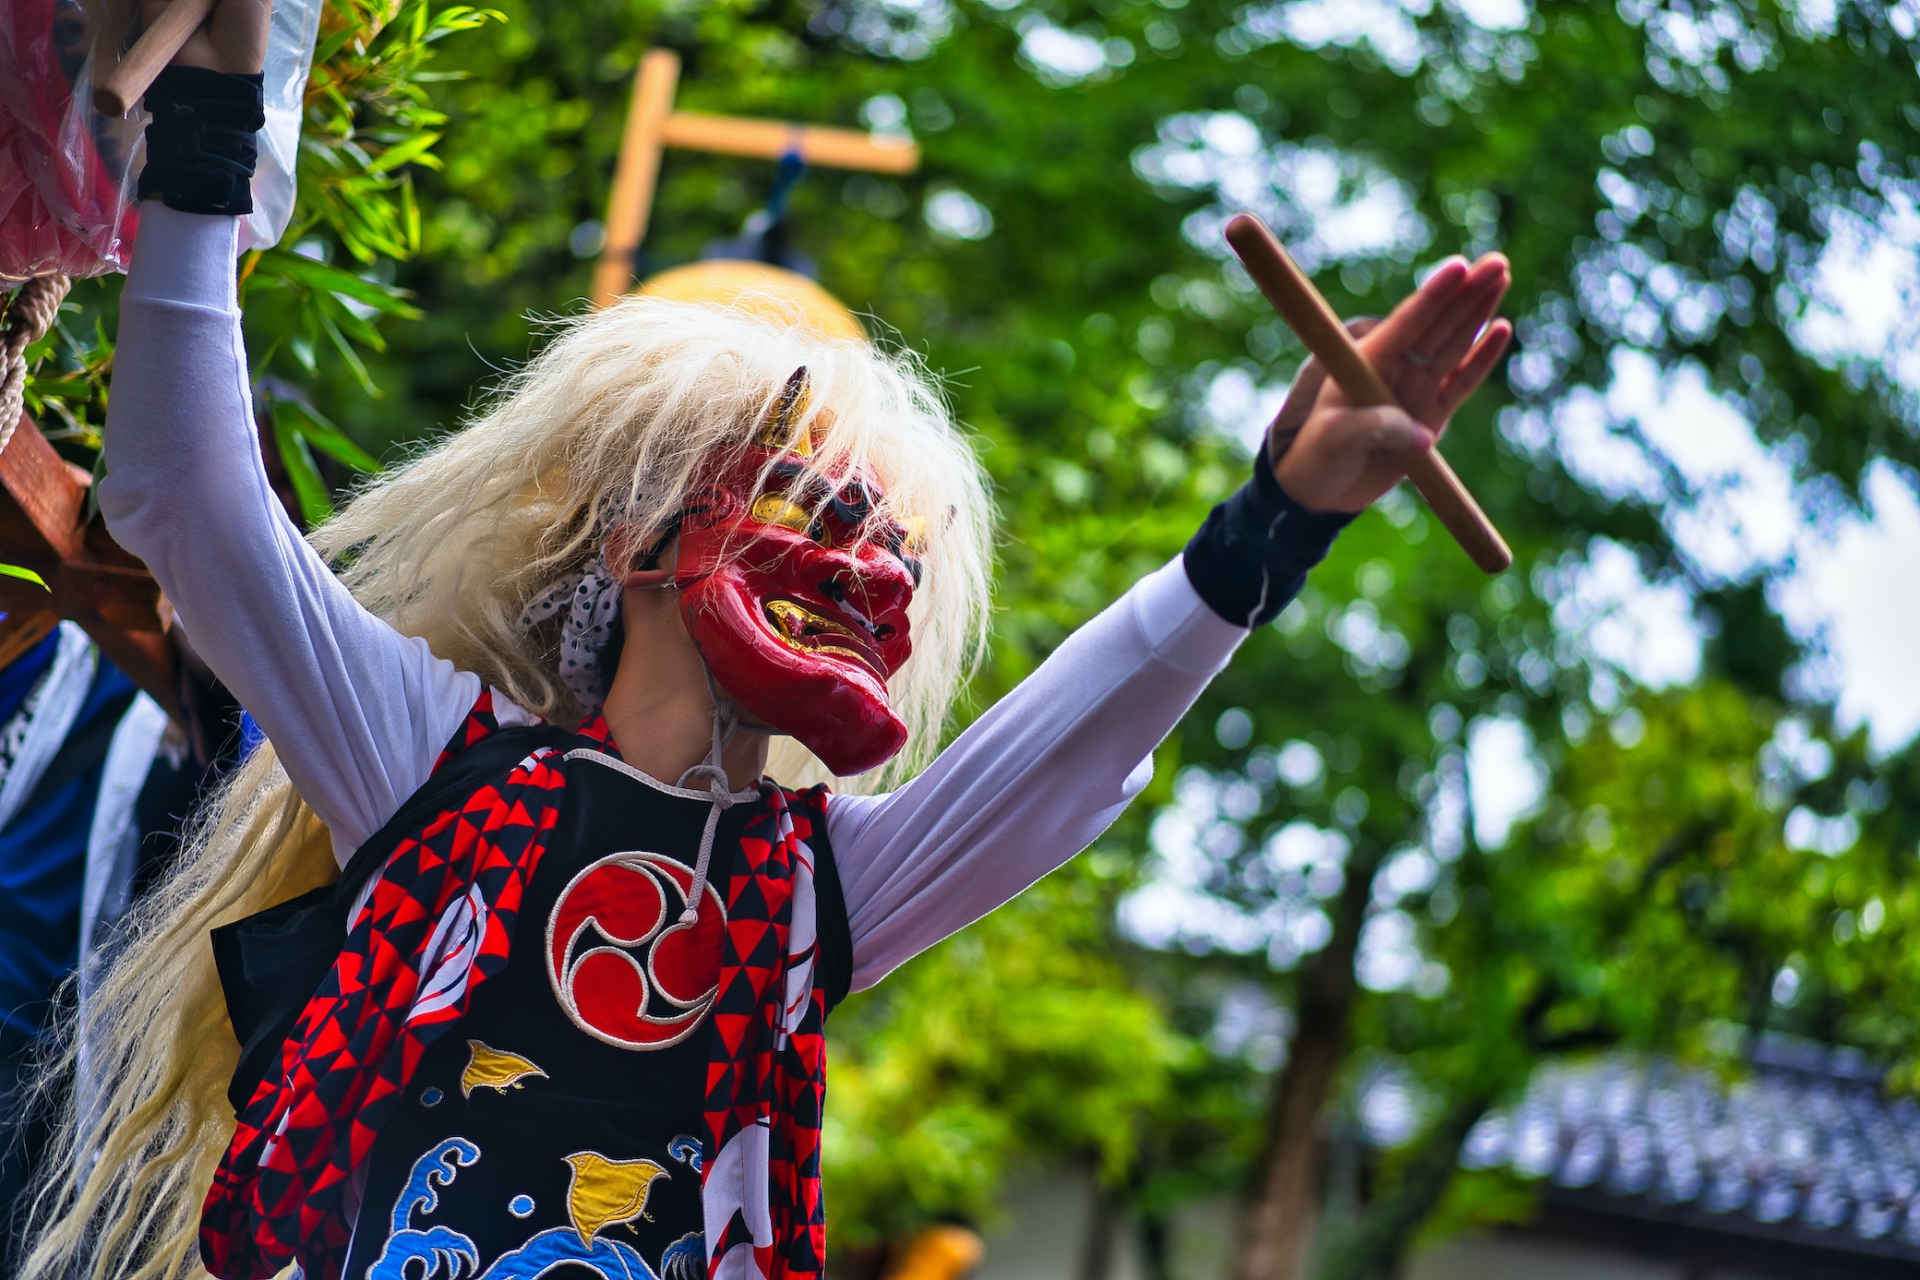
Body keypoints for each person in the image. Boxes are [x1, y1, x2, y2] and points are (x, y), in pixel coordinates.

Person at [18, 3, 1512, 1280]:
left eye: (888, 546)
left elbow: (1059, 757)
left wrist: (1275, 522)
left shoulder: (805, 894)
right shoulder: (439, 774)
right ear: (641, 542)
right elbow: (186, 491)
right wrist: (212, 119)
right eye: (813, 506)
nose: (862, 570)